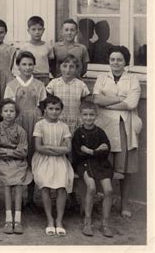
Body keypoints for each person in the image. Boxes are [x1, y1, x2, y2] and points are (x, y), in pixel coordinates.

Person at [93, 45, 142, 219]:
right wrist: (118, 100)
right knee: (103, 165)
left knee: (124, 168)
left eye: (119, 59)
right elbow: (96, 99)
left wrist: (107, 103)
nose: (116, 63)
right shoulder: (101, 77)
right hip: (104, 126)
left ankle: (124, 203)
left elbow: (131, 104)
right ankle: (104, 199)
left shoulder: (133, 79)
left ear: (125, 62)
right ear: (109, 61)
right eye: (113, 59)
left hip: (124, 126)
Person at [4, 51, 46, 210]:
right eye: (24, 64)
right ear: (18, 66)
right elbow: (8, 107)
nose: (27, 68)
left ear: (34, 65)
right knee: (18, 155)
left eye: (30, 64)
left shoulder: (39, 85)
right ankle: (18, 196)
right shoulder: (11, 85)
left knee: (32, 155)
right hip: (18, 121)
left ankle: (30, 197)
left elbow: (43, 106)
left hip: (34, 121)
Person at [32, 95, 74, 236]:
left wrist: (49, 148)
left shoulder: (64, 126)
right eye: (50, 109)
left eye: (57, 109)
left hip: (60, 160)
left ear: (61, 110)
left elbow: (68, 148)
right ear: (45, 110)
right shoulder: (40, 125)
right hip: (43, 160)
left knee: (62, 186)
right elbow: (39, 147)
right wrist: (57, 149)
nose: (54, 112)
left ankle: (59, 220)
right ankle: (50, 219)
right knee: (46, 186)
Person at [72, 101, 114, 237]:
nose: (88, 118)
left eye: (91, 115)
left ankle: (105, 223)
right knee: (91, 187)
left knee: (108, 190)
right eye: (85, 115)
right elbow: (78, 153)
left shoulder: (100, 132)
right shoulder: (78, 133)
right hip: (84, 164)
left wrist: (90, 151)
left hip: (101, 164)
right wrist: (95, 151)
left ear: (96, 115)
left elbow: (106, 150)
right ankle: (87, 221)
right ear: (81, 116)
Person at [0, 98, 32, 235]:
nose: (9, 114)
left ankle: (18, 220)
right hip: (2, 162)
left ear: (16, 113)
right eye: (6, 111)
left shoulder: (21, 131)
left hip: (18, 162)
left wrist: (8, 151)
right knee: (8, 184)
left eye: (11, 111)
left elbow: (23, 151)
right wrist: (11, 152)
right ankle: (9, 219)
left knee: (18, 185)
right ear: (1, 113)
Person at [46, 54, 90, 135]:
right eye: (65, 66)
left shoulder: (81, 85)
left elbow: (85, 105)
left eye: (71, 67)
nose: (67, 70)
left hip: (75, 122)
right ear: (59, 67)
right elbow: (48, 104)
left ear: (76, 68)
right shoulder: (53, 84)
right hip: (57, 120)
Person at [20, 15, 54, 85]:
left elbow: (51, 62)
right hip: (30, 75)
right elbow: (20, 63)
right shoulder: (25, 47)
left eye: (39, 29)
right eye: (33, 29)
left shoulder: (48, 46)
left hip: (44, 76)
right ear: (28, 30)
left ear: (43, 30)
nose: (37, 32)